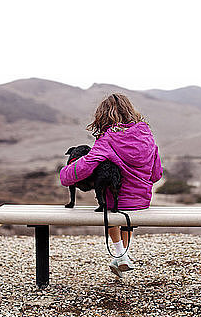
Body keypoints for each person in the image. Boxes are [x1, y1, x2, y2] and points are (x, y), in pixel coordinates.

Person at [59, 93, 163, 277]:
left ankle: (120, 254)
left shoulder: (107, 139)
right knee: (127, 217)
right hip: (141, 203)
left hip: (114, 204)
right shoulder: (148, 137)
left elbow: (85, 166)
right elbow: (156, 175)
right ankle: (122, 256)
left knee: (111, 206)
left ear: (103, 116)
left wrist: (65, 173)